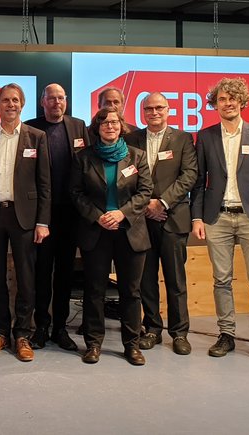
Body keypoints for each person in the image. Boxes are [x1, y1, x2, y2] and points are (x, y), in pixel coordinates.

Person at [190, 77, 249, 369]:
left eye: (232, 98)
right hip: (216, 217)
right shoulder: (205, 137)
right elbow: (198, 182)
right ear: (214, 104)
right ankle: (226, 335)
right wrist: (196, 217)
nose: (227, 103)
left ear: (242, 101)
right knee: (221, 280)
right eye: (221, 99)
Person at [0, 83, 51, 362]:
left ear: (23, 104)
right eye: (5, 100)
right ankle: (1, 332)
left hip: (26, 217)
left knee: (26, 277)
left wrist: (43, 221)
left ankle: (23, 334)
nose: (10, 104)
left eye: (15, 100)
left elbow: (45, 184)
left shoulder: (37, 137)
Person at [70, 107, 151, 366]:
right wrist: (98, 216)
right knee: (94, 290)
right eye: (104, 122)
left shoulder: (137, 157)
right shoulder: (83, 158)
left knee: (131, 290)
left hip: (130, 231)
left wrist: (121, 214)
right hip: (97, 232)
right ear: (98, 127)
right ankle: (93, 344)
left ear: (121, 126)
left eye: (114, 122)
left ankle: (131, 345)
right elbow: (75, 193)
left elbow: (145, 191)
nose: (110, 126)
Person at [124, 92, 197, 355]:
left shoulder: (182, 139)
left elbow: (189, 176)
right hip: (141, 221)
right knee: (146, 279)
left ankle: (179, 333)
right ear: (142, 112)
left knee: (176, 279)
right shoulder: (131, 139)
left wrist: (161, 203)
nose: (154, 112)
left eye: (159, 108)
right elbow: (125, 178)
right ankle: (153, 328)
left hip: (172, 218)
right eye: (149, 109)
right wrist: (145, 206)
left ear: (168, 110)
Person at [25, 83, 89, 352]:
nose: (56, 102)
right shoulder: (30, 127)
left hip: (71, 212)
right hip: (41, 213)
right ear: (42, 102)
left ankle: (60, 328)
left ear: (66, 101)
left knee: (65, 272)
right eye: (51, 98)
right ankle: (40, 327)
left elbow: (88, 165)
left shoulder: (79, 127)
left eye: (61, 98)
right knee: (42, 272)